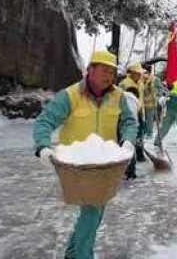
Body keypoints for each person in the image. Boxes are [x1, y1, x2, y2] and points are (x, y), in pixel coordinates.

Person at [33, 50, 138, 259]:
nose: (109, 76)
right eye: (104, 70)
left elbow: (128, 121)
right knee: (92, 213)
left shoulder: (118, 96)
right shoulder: (70, 95)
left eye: (112, 72)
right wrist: (43, 146)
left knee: (94, 213)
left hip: (106, 165)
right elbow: (45, 121)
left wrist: (128, 140)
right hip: (76, 167)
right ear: (90, 70)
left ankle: (72, 254)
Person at [119, 62, 146, 164]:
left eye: (140, 73)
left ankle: (139, 154)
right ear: (132, 73)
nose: (140, 75)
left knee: (140, 134)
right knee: (132, 135)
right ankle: (130, 160)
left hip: (139, 111)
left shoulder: (140, 82)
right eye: (138, 73)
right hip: (129, 113)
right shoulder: (124, 84)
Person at [141, 64, 165, 142]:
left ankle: (149, 134)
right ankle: (144, 132)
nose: (143, 73)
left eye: (145, 71)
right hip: (141, 102)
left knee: (149, 119)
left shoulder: (155, 79)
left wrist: (157, 96)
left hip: (151, 102)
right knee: (142, 118)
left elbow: (161, 89)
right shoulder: (140, 78)